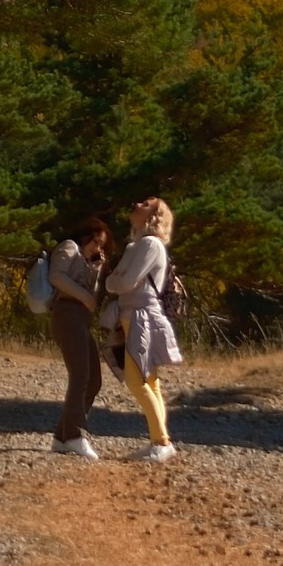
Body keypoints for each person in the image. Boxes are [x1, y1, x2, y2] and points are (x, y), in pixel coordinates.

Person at [100, 195, 181, 461]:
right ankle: (159, 440)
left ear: (155, 215)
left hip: (139, 316)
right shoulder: (139, 245)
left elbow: (121, 283)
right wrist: (117, 281)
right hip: (136, 314)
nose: (136, 203)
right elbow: (119, 281)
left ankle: (162, 442)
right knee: (150, 382)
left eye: (146, 203)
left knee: (137, 381)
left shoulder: (148, 244)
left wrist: (115, 281)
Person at [45, 217, 113, 456]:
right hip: (66, 313)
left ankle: (62, 436)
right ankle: (75, 434)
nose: (98, 248)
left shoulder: (87, 261)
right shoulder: (69, 247)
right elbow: (57, 276)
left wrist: (96, 268)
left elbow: (93, 296)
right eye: (96, 242)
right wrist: (84, 297)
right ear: (85, 236)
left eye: (102, 245)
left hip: (81, 318)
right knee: (80, 374)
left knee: (94, 378)